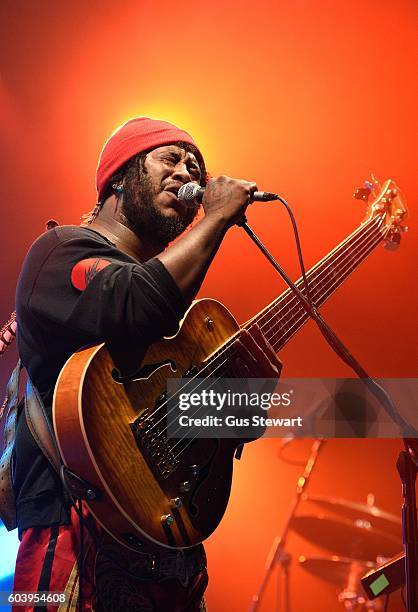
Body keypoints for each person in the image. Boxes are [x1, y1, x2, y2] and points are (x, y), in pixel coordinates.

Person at [11, 117, 282, 611]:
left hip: (170, 565)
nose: (188, 171)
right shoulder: (59, 252)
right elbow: (136, 303)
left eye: (194, 163)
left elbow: (183, 428)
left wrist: (243, 402)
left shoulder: (170, 319)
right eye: (171, 158)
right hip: (71, 543)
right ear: (119, 176)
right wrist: (217, 218)